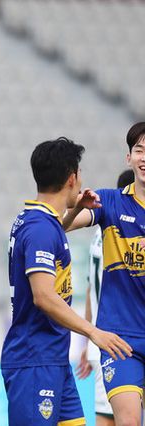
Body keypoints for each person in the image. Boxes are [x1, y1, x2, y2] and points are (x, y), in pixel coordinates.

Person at [1, 137, 132, 426]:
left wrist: (73, 211)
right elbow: (43, 297)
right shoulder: (40, 228)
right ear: (72, 178)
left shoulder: (38, 220)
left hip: (54, 358)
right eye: (80, 173)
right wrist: (93, 332)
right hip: (34, 359)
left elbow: (51, 234)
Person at [64, 123, 145, 426]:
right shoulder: (110, 202)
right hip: (120, 339)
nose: (144, 158)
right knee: (127, 421)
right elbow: (60, 226)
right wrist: (76, 209)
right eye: (139, 150)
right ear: (129, 158)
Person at [76, 169, 136, 426]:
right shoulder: (122, 236)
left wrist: (87, 340)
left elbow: (92, 287)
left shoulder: (100, 234)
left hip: (101, 336)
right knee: (111, 419)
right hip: (115, 338)